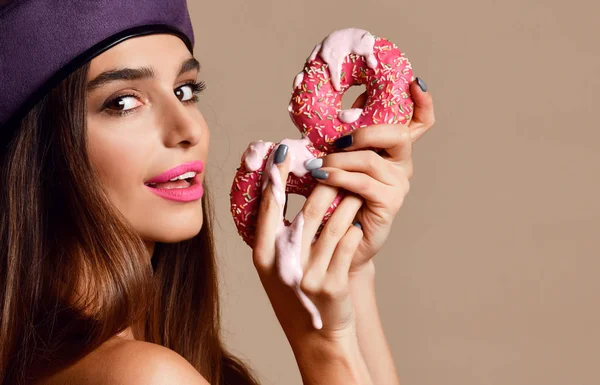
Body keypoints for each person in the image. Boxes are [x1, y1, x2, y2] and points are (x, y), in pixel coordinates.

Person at [0, 1, 435, 384]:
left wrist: (349, 266)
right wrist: (322, 344)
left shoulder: (149, 356)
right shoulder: (142, 376)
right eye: (124, 102)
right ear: (39, 152)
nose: (188, 128)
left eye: (185, 91)